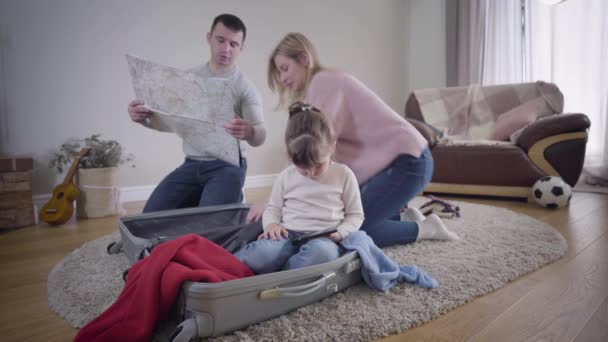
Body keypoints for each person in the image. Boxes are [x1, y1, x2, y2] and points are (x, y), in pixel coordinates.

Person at [248, 32, 459, 248]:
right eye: (279, 72)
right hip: (396, 162)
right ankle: (405, 218)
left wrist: (271, 199)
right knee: (342, 218)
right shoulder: (320, 86)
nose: (282, 78)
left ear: (303, 59)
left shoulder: (323, 83)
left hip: (409, 162)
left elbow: (310, 148)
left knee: (346, 231)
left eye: (284, 68)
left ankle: (426, 228)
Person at [128, 14, 266, 213]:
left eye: (233, 44)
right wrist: (143, 118)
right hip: (191, 164)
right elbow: (171, 123)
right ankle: (216, 200)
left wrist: (250, 132)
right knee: (150, 216)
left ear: (241, 48)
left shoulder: (244, 87)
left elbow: (261, 134)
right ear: (209, 38)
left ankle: (232, 200)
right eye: (221, 40)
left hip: (228, 167)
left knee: (207, 226)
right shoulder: (188, 79)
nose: (226, 49)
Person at [234, 102, 364, 274]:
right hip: (286, 234)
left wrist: (341, 232)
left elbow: (355, 215)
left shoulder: (344, 174)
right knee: (261, 254)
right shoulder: (286, 176)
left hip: (324, 238)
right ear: (290, 155)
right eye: (303, 168)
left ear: (332, 147)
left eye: (318, 166)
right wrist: (271, 225)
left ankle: (282, 274)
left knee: (324, 254)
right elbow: (273, 208)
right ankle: (241, 267)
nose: (310, 173)